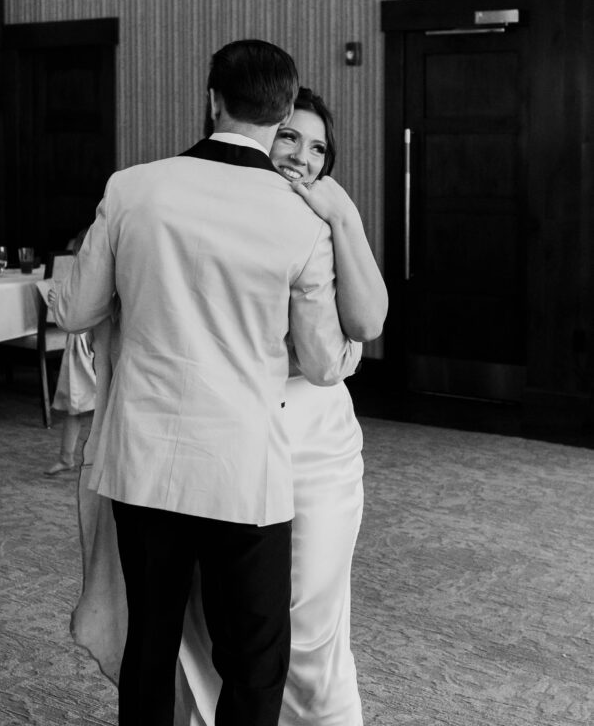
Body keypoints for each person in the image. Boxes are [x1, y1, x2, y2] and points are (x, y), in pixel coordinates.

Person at [53, 40, 362, 726]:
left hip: (146, 463)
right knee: (252, 658)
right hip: (243, 471)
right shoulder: (298, 216)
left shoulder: (132, 187)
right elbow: (316, 362)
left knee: (151, 640)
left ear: (211, 99)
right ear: (281, 112)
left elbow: (75, 311)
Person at [175, 88, 388, 725]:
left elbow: (368, 320)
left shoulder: (326, 219)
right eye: (289, 136)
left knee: (310, 621)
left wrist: (343, 219)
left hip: (315, 440)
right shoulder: (203, 206)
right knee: (217, 616)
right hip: (224, 433)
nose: (301, 155)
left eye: (318, 146)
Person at [44, 229, 97, 477]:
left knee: (97, 407)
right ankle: (66, 457)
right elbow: (65, 317)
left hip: (91, 351)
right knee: (75, 408)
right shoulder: (76, 279)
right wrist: (56, 304)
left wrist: (60, 306)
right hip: (78, 351)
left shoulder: (99, 279)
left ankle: (96, 460)